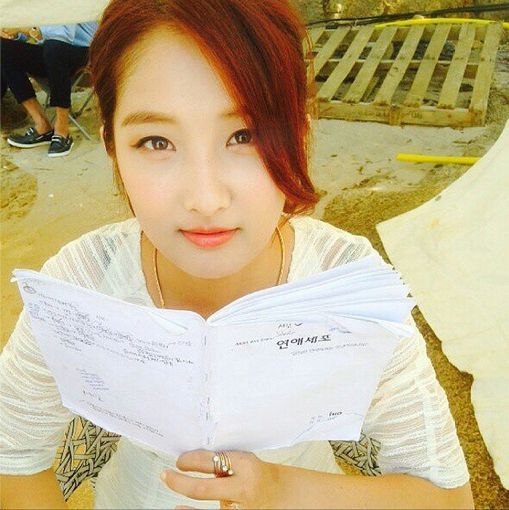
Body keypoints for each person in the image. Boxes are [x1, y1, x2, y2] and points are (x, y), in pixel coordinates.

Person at [0, 1, 474, 508]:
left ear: (300, 134)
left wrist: (277, 489)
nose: (205, 199)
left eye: (244, 135)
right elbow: (12, 454)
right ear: (113, 146)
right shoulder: (82, 286)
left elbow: (447, 497)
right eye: (156, 141)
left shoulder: (345, 285)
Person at [1, 22, 97, 157]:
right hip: (49, 51)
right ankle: (42, 125)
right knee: (4, 48)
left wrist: (24, 28)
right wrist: (11, 32)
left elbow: (62, 35)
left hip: (84, 51)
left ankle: (62, 130)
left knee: (54, 47)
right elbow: (25, 34)